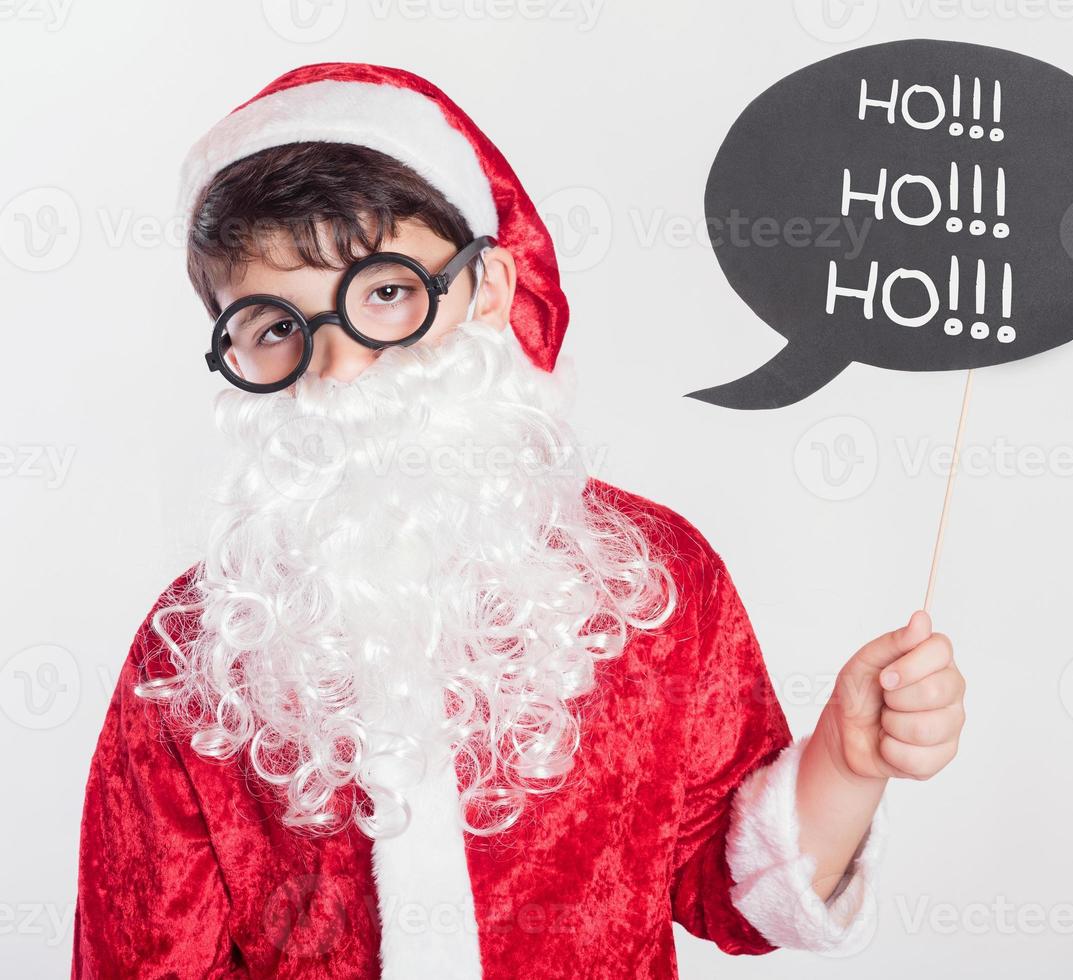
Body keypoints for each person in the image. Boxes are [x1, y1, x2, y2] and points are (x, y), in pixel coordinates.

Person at [71, 62, 966, 980]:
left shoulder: (649, 579)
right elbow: (142, 958)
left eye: (384, 292)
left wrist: (848, 768)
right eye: (273, 328)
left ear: (489, 288)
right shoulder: (196, 652)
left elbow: (727, 894)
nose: (338, 368)